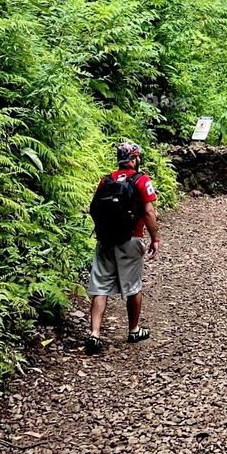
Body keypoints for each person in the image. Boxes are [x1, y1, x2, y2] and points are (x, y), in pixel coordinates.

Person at [87, 142, 159, 354]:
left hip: (105, 240)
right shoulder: (141, 180)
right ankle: (134, 330)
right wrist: (155, 238)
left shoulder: (105, 180)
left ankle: (95, 334)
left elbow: (94, 209)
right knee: (133, 286)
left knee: (100, 287)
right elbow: (148, 212)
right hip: (131, 239)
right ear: (134, 158)